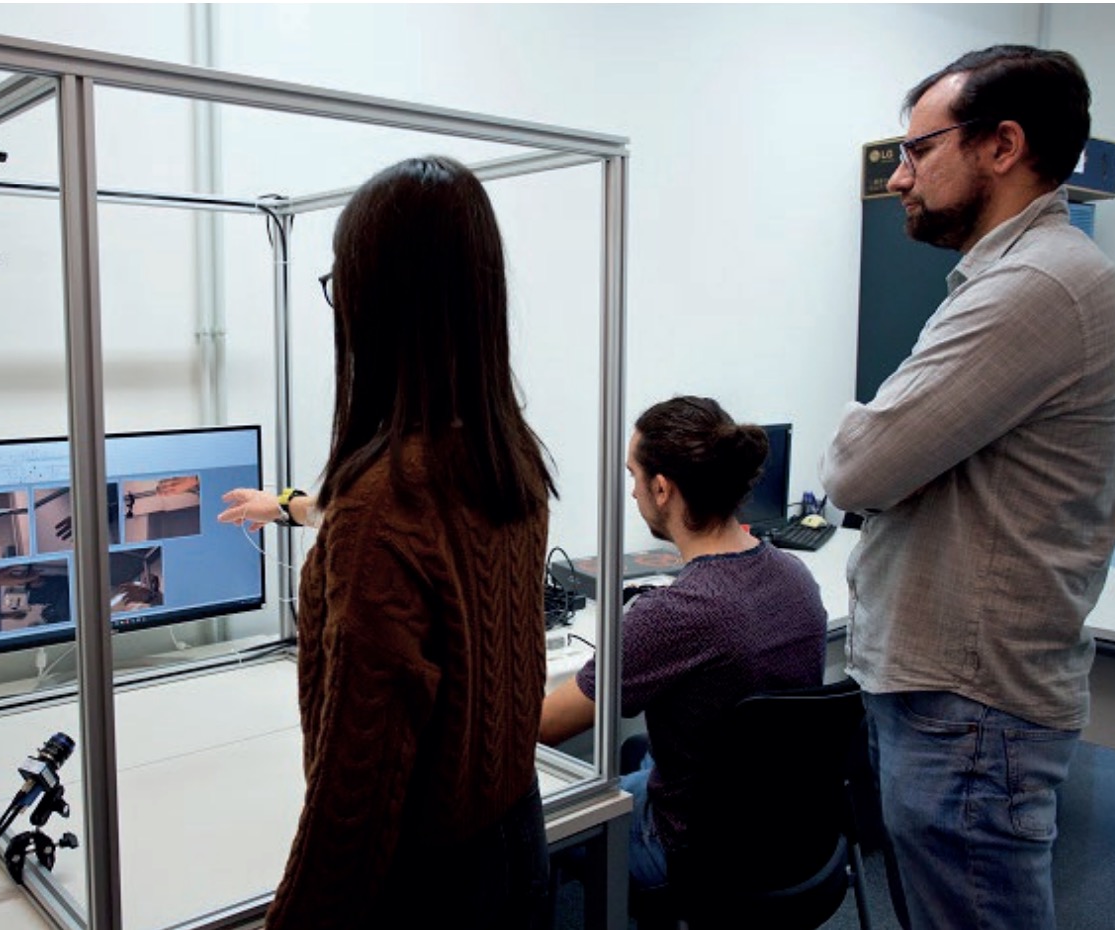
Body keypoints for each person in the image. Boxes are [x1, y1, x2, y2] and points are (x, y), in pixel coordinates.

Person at [820, 46, 1115, 930]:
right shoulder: (1024, 277)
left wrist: (864, 422)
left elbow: (854, 468)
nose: (899, 178)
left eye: (918, 151)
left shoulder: (1036, 285)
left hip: (970, 709)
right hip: (965, 701)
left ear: (1002, 146)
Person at [222, 155, 557, 930]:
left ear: (378, 303)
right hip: (515, 842)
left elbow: (354, 806)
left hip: (431, 890)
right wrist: (292, 507)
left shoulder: (384, 506)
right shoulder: (506, 452)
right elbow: (421, 541)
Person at [539, 395, 828, 890]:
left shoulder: (674, 614)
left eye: (633, 477)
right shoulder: (796, 575)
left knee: (548, 825)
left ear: (662, 489)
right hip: (793, 832)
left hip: (692, 846)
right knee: (637, 752)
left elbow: (545, 727)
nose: (632, 492)